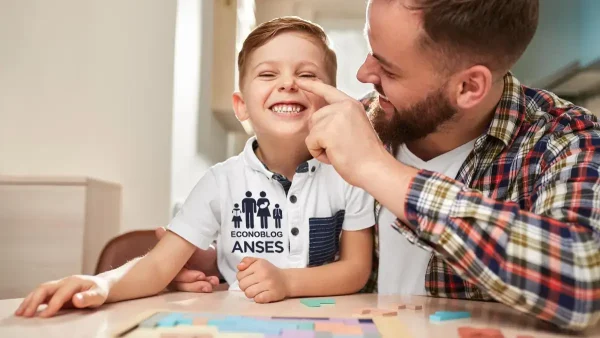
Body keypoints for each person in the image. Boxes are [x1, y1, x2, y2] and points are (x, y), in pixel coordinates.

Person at [165, 0, 600, 331]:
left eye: (387, 68)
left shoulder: (564, 141)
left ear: (468, 86)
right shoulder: (347, 123)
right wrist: (217, 259)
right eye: (370, 48)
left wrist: (379, 170)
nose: (362, 73)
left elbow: (585, 282)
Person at [14, 16, 374, 319]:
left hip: (327, 323)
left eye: (307, 75)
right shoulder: (220, 182)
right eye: (267, 74)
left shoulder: (348, 174)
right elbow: (158, 266)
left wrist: (288, 282)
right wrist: (102, 284)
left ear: (330, 97)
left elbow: (357, 270)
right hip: (240, 323)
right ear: (241, 106)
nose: (288, 83)